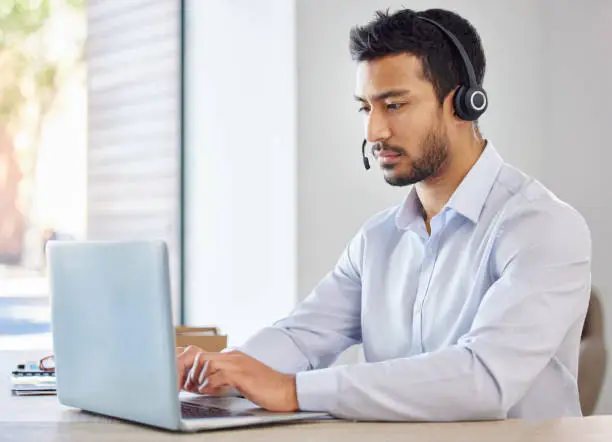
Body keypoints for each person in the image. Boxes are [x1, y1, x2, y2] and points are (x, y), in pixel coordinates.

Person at [177, 8, 592, 421]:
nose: (374, 132)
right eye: (365, 108)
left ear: (464, 103)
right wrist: (225, 370)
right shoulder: (377, 239)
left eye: (393, 105)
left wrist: (291, 389)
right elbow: (302, 337)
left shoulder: (542, 227)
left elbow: (483, 379)